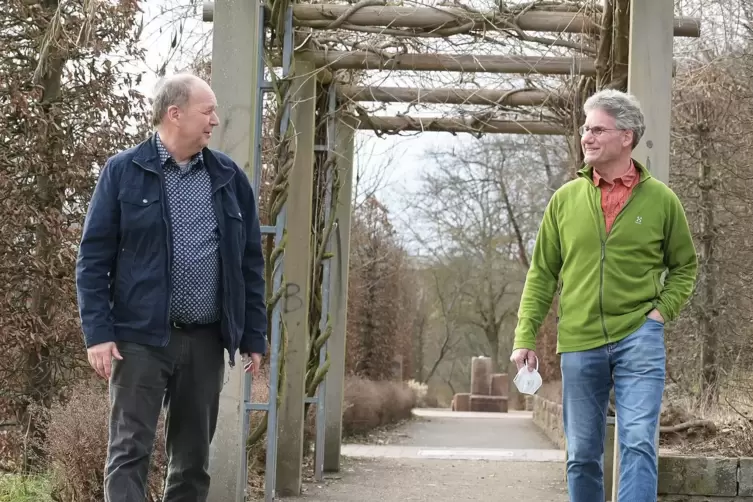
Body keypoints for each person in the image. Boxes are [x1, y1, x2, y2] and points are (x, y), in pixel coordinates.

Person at [75, 73, 267, 501]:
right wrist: (99, 335)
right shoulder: (123, 172)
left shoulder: (229, 178)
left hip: (205, 341)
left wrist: (253, 334)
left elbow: (250, 265)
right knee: (129, 452)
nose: (215, 120)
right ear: (174, 113)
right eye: (207, 111)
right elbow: (93, 258)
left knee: (193, 460)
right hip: (139, 340)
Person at [510, 89, 697, 502]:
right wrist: (525, 335)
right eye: (585, 129)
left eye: (597, 129)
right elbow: (542, 273)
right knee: (580, 454)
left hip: (639, 337)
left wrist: (661, 313)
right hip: (579, 339)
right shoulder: (565, 201)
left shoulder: (662, 201)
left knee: (638, 443)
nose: (587, 137)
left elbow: (685, 266)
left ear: (626, 136)